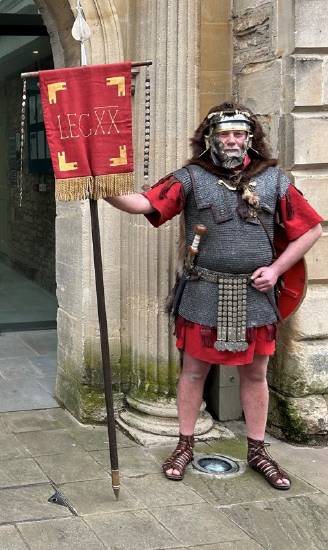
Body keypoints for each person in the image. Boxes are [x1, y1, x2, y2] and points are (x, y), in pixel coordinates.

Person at [105, 101, 322, 490]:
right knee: (192, 372)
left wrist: (275, 270)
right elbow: (143, 204)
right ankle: (184, 445)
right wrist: (101, 185)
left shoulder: (274, 180)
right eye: (224, 133)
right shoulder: (190, 178)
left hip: (256, 297)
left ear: (251, 138)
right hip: (204, 291)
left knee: (255, 375)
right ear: (210, 139)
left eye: (239, 133)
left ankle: (257, 450)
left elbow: (311, 229)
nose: (232, 140)